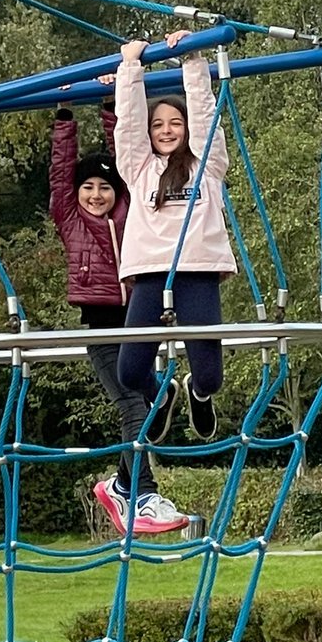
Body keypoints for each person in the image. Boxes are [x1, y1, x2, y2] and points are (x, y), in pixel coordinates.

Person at [49, 95, 189, 536]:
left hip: (137, 319)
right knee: (133, 404)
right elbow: (60, 175)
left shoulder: (129, 213)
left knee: (153, 402)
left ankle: (120, 485)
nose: (96, 195)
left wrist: (114, 109)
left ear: (117, 193)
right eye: (88, 188)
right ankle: (141, 494)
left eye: (104, 188)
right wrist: (65, 119)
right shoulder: (70, 217)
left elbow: (126, 158)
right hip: (102, 326)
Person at [110, 29, 236, 478]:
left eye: (174, 123)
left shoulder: (208, 164)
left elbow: (205, 114)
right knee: (129, 371)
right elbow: (126, 129)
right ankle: (162, 396)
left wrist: (193, 60)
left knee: (210, 375)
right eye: (158, 124)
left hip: (197, 270)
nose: (166, 130)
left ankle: (197, 395)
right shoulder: (139, 168)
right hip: (149, 272)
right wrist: (131, 69)